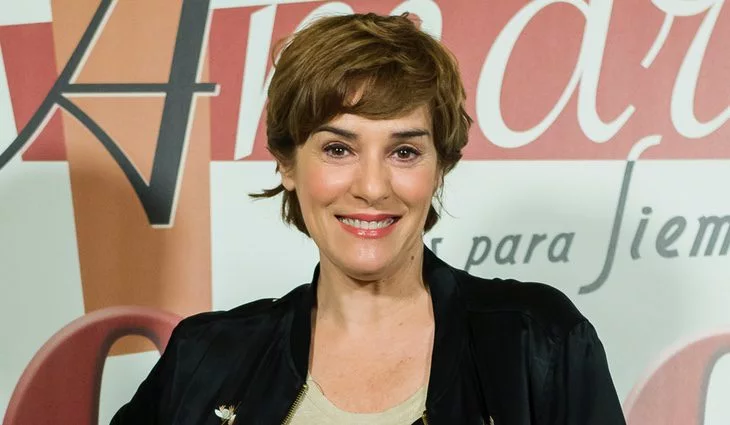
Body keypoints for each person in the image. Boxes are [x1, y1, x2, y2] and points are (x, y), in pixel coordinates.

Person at [111, 12, 626, 425]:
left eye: (404, 152)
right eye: (338, 149)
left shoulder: (537, 342)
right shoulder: (205, 358)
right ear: (287, 164)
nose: (373, 187)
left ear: (440, 168)